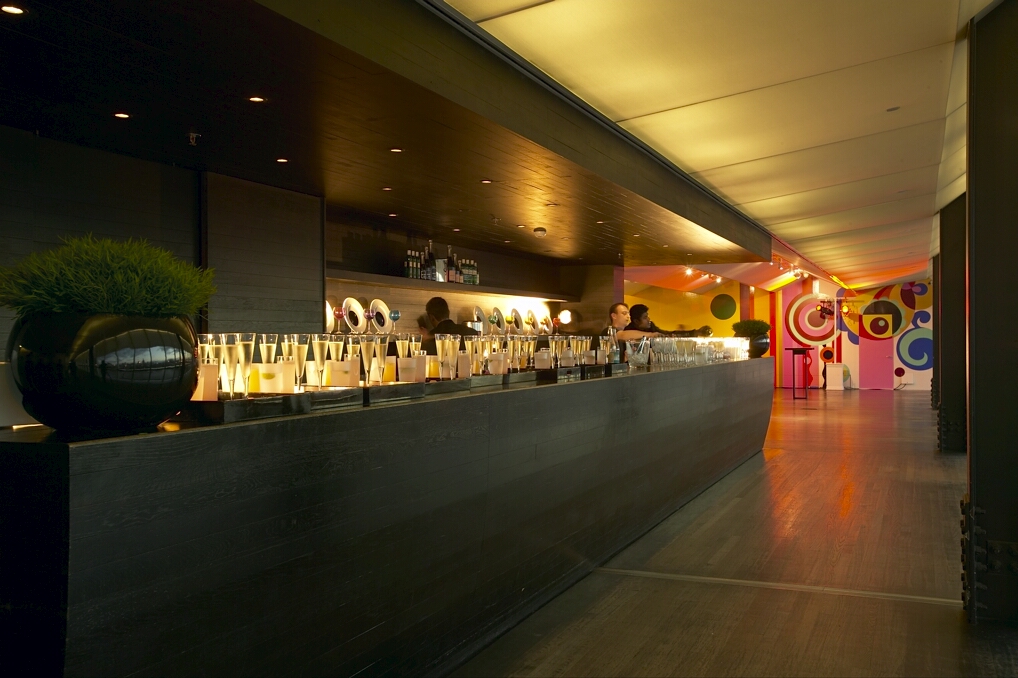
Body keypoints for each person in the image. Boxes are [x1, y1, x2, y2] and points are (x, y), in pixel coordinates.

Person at [626, 303, 712, 337]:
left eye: (648, 316)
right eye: (645, 317)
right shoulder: (628, 331)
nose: (649, 319)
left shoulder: (651, 326)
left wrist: (695, 333)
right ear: (636, 321)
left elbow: (667, 334)